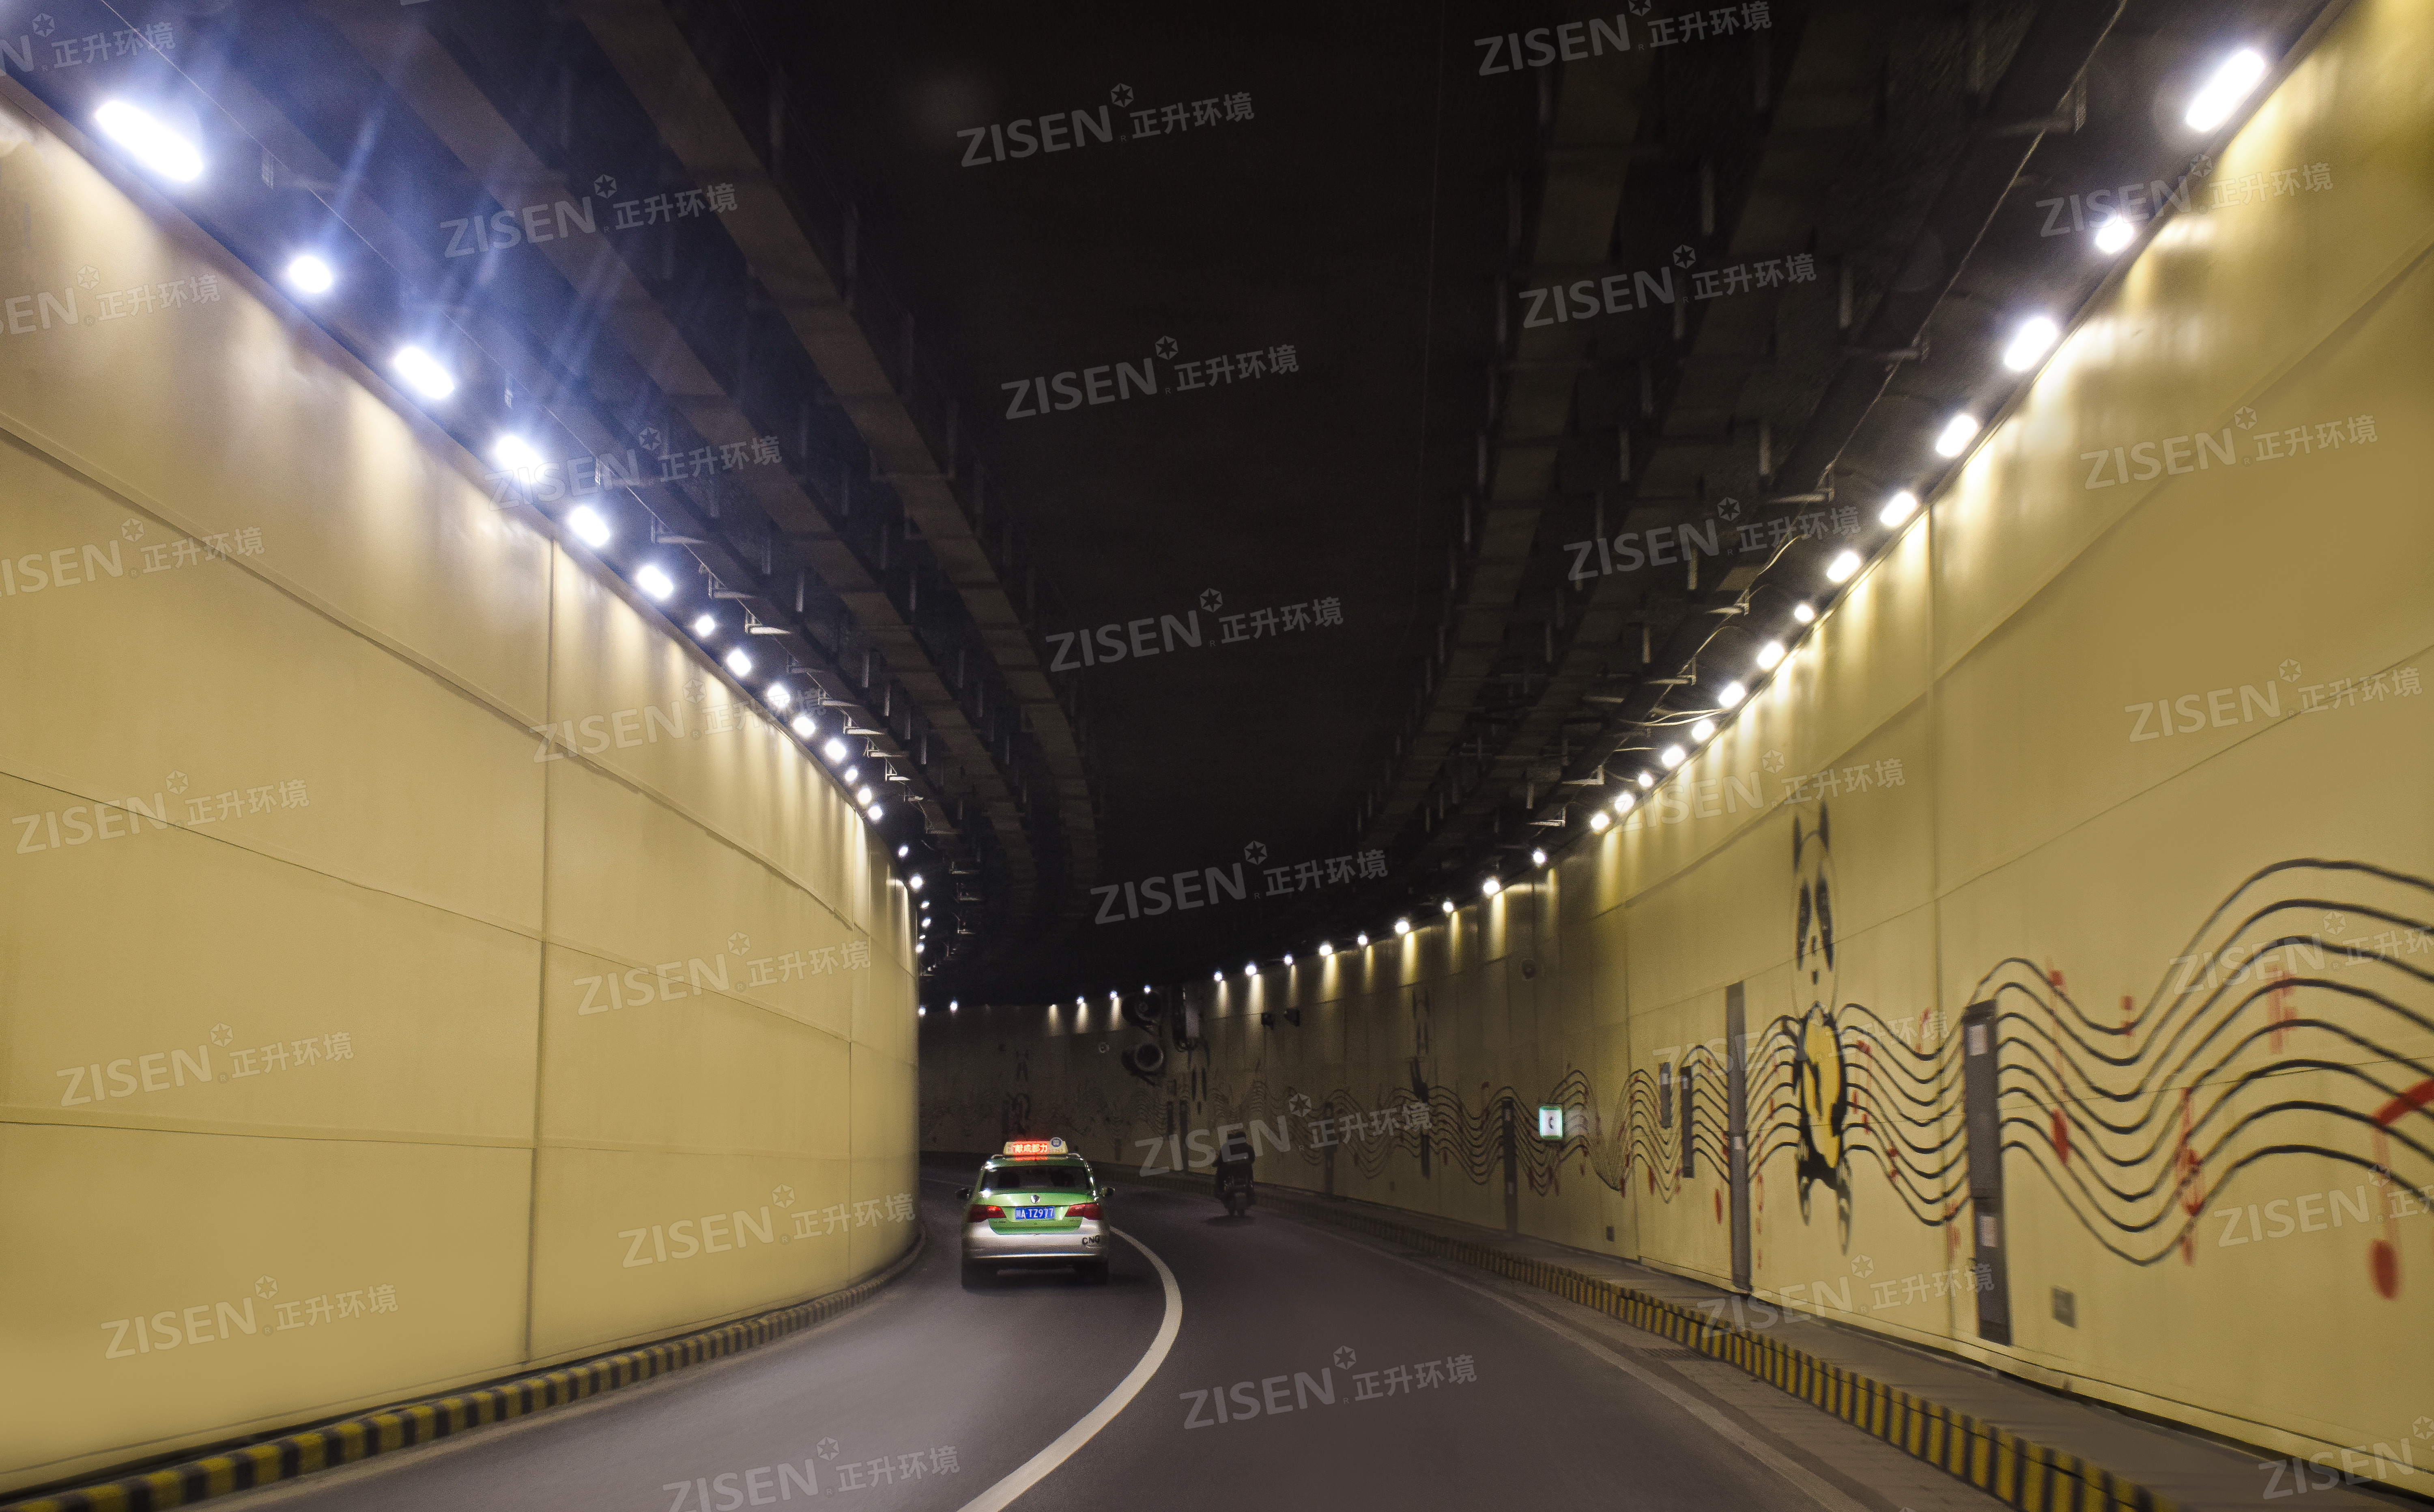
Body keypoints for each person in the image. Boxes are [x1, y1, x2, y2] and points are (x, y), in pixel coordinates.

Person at [1213, 1126, 1254, 1210]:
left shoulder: (1229, 1148)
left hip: (1231, 1172)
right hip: (1246, 1173)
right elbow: (1253, 1159)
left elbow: (1221, 1160)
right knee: (1250, 1178)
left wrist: (1215, 1164)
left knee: (1220, 1176)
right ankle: (1252, 1192)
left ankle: (1221, 1191)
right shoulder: (1249, 1148)